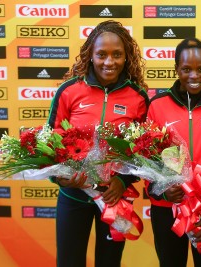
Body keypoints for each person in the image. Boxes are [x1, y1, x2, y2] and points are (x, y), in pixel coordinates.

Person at [47, 20, 149, 267]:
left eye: (117, 55)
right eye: (101, 54)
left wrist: (123, 180)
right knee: (69, 262)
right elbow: (49, 142)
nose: (109, 62)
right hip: (74, 194)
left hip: (114, 197)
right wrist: (59, 177)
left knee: (110, 262)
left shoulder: (138, 98)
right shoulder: (69, 91)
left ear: (127, 58)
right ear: (90, 56)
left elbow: (143, 150)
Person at [146, 37, 201, 267]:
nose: (194, 76)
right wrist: (163, 192)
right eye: (186, 69)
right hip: (167, 209)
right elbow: (147, 160)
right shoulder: (157, 105)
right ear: (176, 69)